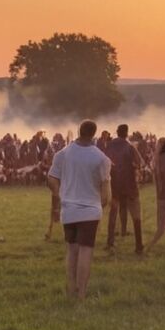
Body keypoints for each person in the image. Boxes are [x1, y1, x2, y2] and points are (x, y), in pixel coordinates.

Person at [47, 120, 112, 299]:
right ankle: (82, 293)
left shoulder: (63, 154)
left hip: (69, 209)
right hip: (91, 209)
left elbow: (51, 179)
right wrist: (101, 205)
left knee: (72, 250)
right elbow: (106, 193)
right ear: (94, 134)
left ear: (78, 131)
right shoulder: (101, 158)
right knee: (86, 250)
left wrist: (62, 195)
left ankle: (70, 289)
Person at [105, 124, 144, 255]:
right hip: (129, 186)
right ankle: (139, 245)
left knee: (113, 213)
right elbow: (139, 163)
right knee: (136, 216)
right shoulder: (130, 147)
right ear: (126, 134)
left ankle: (110, 242)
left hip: (115, 184)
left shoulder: (109, 146)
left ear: (116, 132)